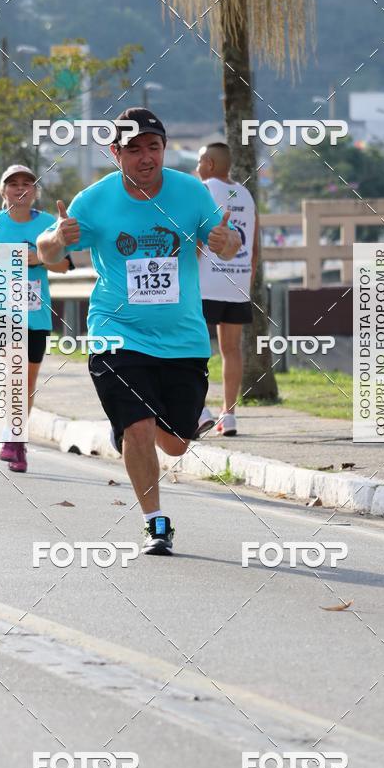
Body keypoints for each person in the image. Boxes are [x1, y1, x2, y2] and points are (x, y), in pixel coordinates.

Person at [37, 108, 240, 556]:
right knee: (140, 427)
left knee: (177, 445)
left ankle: (137, 427)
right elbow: (48, 251)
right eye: (133, 149)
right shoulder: (94, 200)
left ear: (164, 148)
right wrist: (57, 238)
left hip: (183, 339)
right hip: (117, 332)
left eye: (153, 146)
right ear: (116, 153)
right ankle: (155, 522)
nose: (145, 157)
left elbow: (226, 241)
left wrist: (228, 242)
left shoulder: (190, 192)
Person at [0, 165, 70, 473]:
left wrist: (42, 259)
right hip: (0, 308)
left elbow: (65, 265)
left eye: (27, 183)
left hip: (36, 312)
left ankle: (16, 440)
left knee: (27, 380)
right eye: (13, 184)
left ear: (35, 191)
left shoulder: (48, 224)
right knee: (15, 370)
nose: (20, 188)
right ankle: (13, 437)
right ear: (3, 191)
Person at [195, 142, 258, 438]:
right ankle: (229, 415)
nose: (196, 168)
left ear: (208, 163)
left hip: (206, 282)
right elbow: (254, 246)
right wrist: (247, 281)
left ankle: (199, 410)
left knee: (195, 348)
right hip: (238, 281)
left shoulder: (204, 189)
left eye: (198, 162)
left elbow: (197, 238)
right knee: (231, 350)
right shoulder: (246, 194)